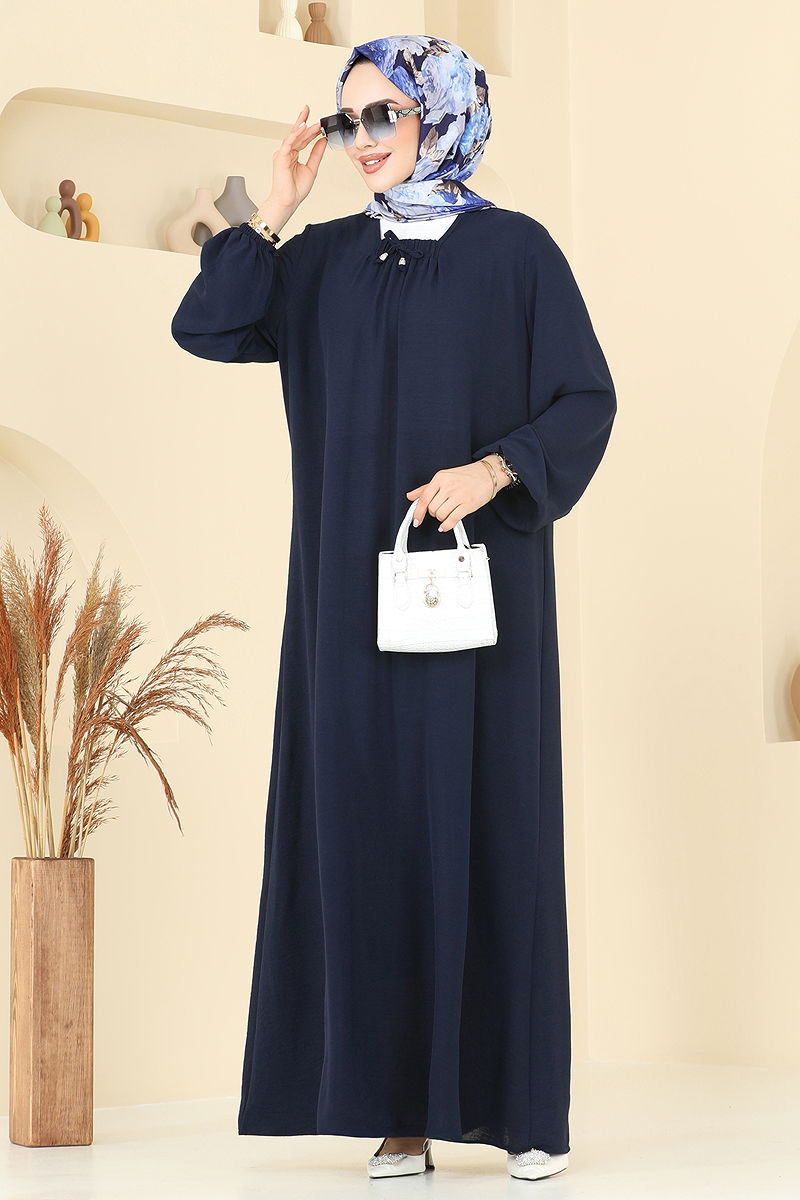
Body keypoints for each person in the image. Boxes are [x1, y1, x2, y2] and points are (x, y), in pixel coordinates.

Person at [171, 34, 617, 1182]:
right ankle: (396, 1114)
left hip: (480, 602)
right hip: (349, 611)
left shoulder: (515, 254)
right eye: (345, 119)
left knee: (491, 830)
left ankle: (522, 1114)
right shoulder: (317, 260)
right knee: (365, 836)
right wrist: (274, 207)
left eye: (384, 115)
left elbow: (583, 397)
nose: (361, 139)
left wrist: (496, 469)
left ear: (443, 114)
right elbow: (206, 326)